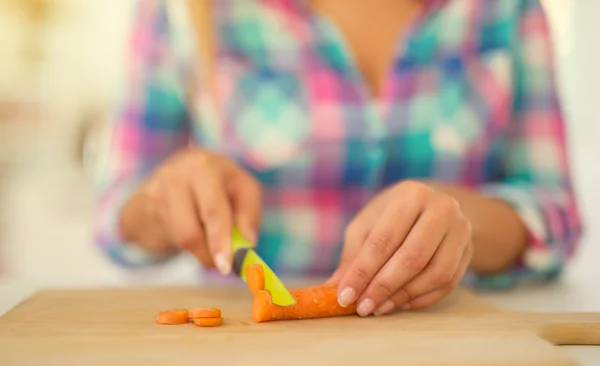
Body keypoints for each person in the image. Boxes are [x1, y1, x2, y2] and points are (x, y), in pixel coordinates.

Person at [93, 0, 582, 318]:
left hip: (457, 358)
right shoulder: (176, 11)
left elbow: (554, 210)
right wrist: (164, 199)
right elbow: (115, 216)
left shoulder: (509, 10)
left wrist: (467, 223)